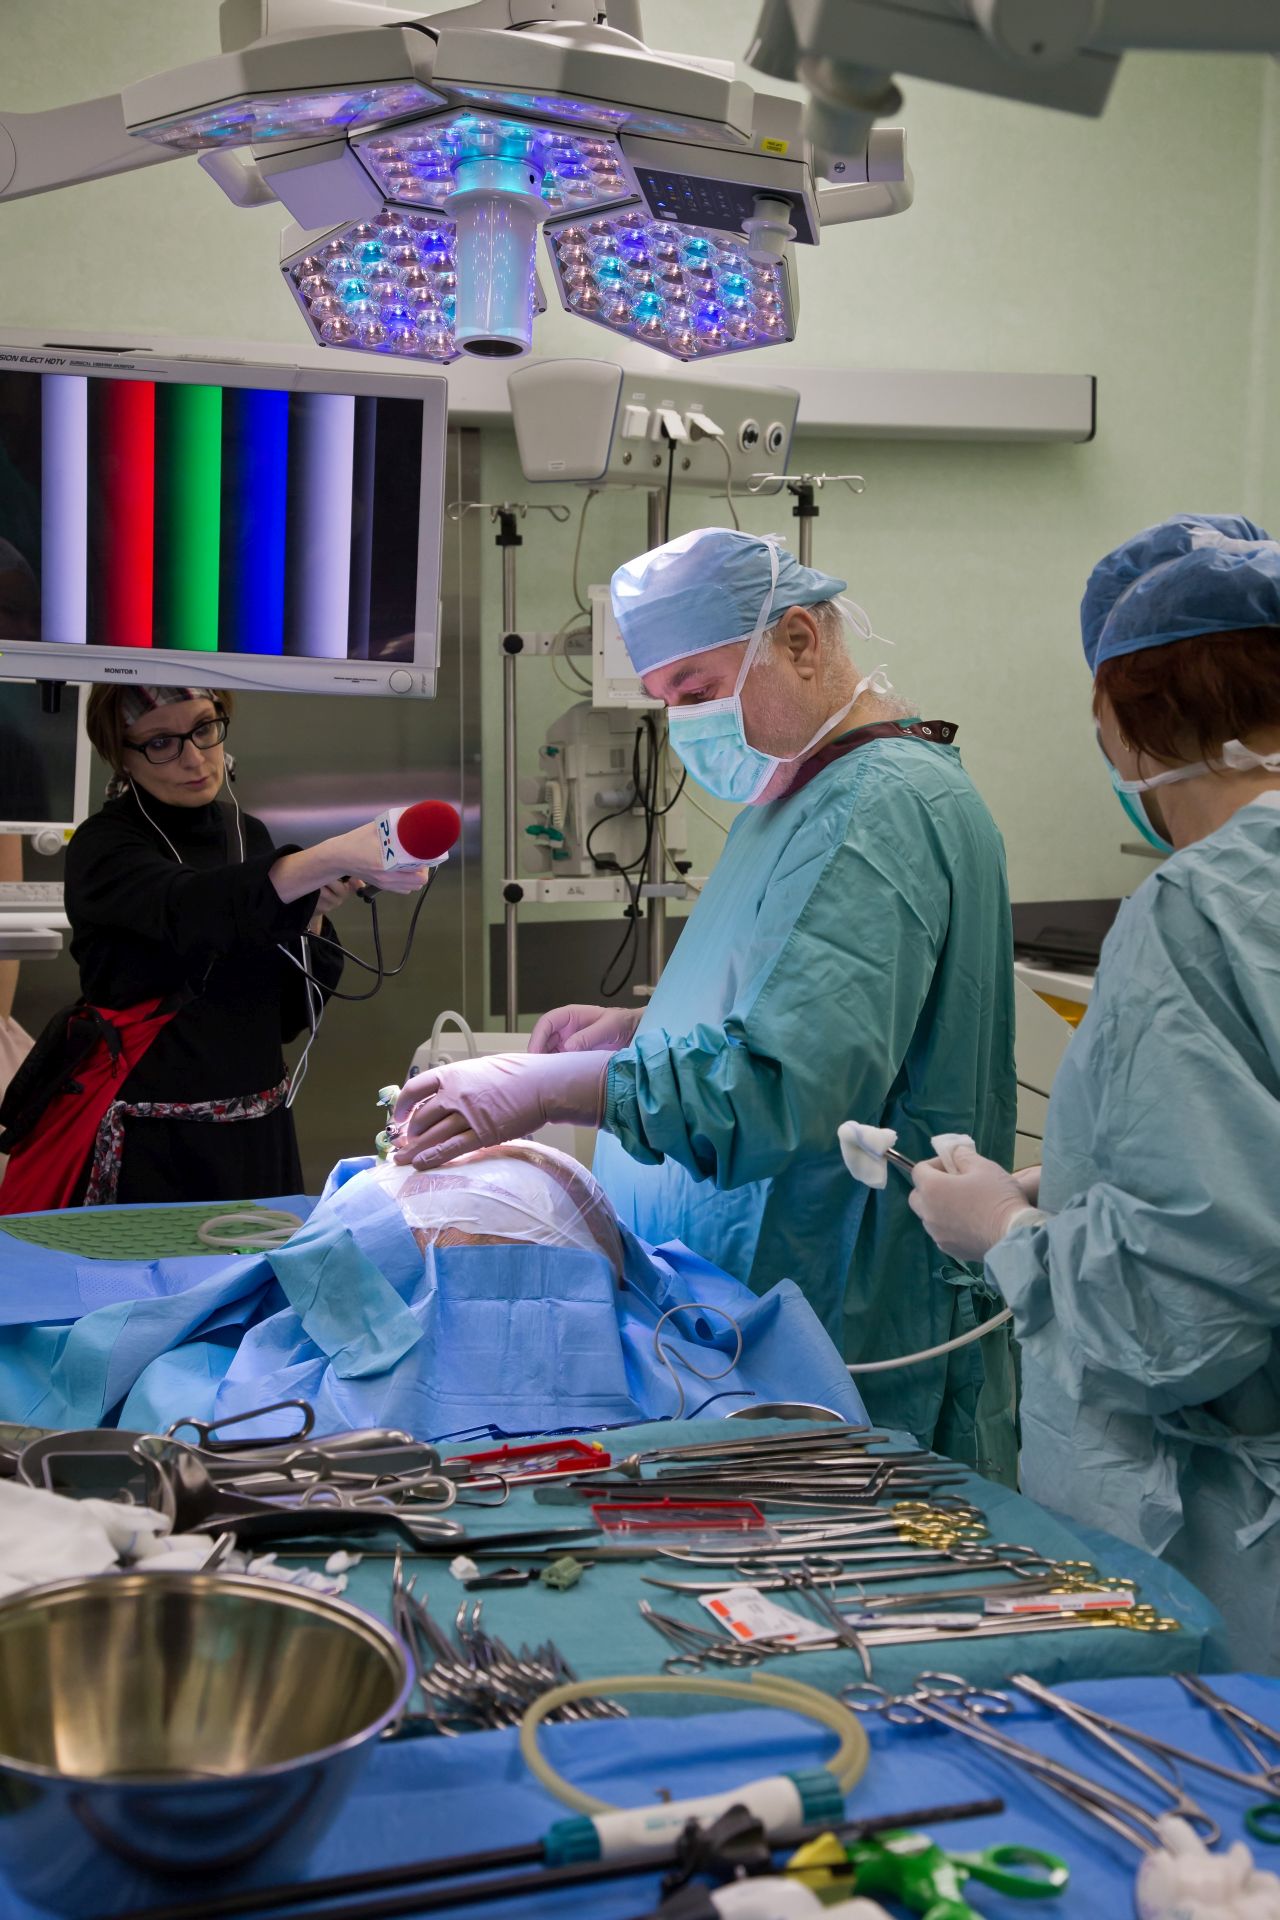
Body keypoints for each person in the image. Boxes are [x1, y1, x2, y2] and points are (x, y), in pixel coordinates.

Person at [390, 529, 1018, 1478]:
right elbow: (792, 1000)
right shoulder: (801, 796)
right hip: (743, 1316)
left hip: (840, 1323)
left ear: (798, 641)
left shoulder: (877, 808)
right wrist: (641, 1029)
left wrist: (555, 1088)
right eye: (664, 700)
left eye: (695, 690)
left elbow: (783, 1084)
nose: (682, 724)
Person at [908, 513, 1280, 1668]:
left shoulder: (1197, 914)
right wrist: (1078, 1185)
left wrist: (1008, 1236)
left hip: (1237, 1540)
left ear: (1123, 726)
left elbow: (1180, 1321)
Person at [0, 684, 432, 1212]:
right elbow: (192, 907)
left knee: (260, 1265)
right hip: (151, 1145)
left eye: (204, 728)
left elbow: (286, 1015)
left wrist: (312, 911)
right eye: (161, 743)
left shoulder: (247, 835)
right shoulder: (105, 846)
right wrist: (319, 862)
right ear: (122, 755)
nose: (193, 758)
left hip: (258, 1133)